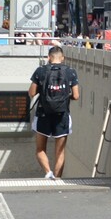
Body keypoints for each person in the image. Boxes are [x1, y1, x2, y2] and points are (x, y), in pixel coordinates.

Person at [28, 45, 81, 180]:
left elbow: (32, 93)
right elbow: (76, 96)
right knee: (60, 152)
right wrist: (64, 98)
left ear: (48, 58)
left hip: (43, 114)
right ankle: (57, 180)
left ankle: (48, 173)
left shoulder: (40, 71)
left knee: (40, 149)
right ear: (63, 58)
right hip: (62, 115)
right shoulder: (70, 72)